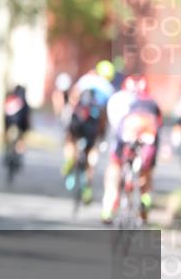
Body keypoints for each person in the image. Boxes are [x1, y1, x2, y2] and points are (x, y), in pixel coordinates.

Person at [101, 75, 162, 224]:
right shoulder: (152, 102)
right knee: (146, 170)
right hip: (149, 132)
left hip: (128, 129)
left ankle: (110, 201)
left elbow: (115, 124)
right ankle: (145, 199)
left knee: (115, 164)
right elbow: (159, 124)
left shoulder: (121, 99)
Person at [61, 60, 115, 204]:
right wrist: (102, 134)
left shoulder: (86, 79)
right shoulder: (109, 88)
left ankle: (69, 160)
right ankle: (88, 187)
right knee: (93, 152)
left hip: (78, 120)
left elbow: (73, 98)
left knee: (70, 139)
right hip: (94, 124)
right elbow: (107, 115)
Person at [4, 83, 31, 154]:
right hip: (20, 124)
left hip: (11, 123)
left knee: (11, 140)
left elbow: (6, 113)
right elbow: (26, 113)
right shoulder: (23, 99)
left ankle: (12, 151)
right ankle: (17, 151)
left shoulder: (11, 98)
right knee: (19, 139)